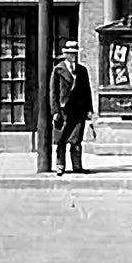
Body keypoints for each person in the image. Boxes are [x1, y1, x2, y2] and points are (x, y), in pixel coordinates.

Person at [49, 40, 94, 175]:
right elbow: (53, 92)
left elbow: (87, 91)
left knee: (76, 140)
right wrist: (55, 111)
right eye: (70, 53)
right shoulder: (58, 70)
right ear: (65, 55)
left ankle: (77, 166)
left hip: (78, 110)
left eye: (75, 53)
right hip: (63, 111)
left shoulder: (82, 70)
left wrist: (89, 109)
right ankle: (60, 166)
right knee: (61, 139)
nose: (73, 56)